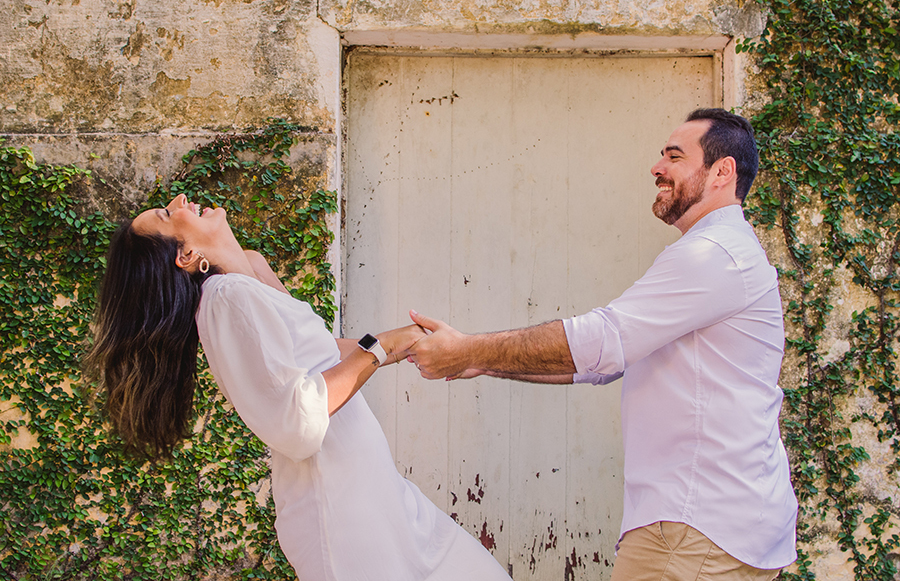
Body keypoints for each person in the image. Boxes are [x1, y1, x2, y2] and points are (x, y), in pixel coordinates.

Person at [407, 109, 798, 580]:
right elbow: (602, 363)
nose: (657, 168)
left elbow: (602, 341)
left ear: (722, 172)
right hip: (714, 527)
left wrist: (468, 349)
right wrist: (484, 363)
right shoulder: (722, 253)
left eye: (674, 156)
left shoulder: (711, 255)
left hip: (695, 532)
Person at [85, 193, 513, 581]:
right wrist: (386, 346)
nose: (179, 199)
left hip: (379, 498)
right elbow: (297, 424)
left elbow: (326, 353)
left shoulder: (243, 284)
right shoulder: (227, 296)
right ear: (187, 254)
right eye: (167, 213)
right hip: (344, 518)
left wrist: (419, 345)